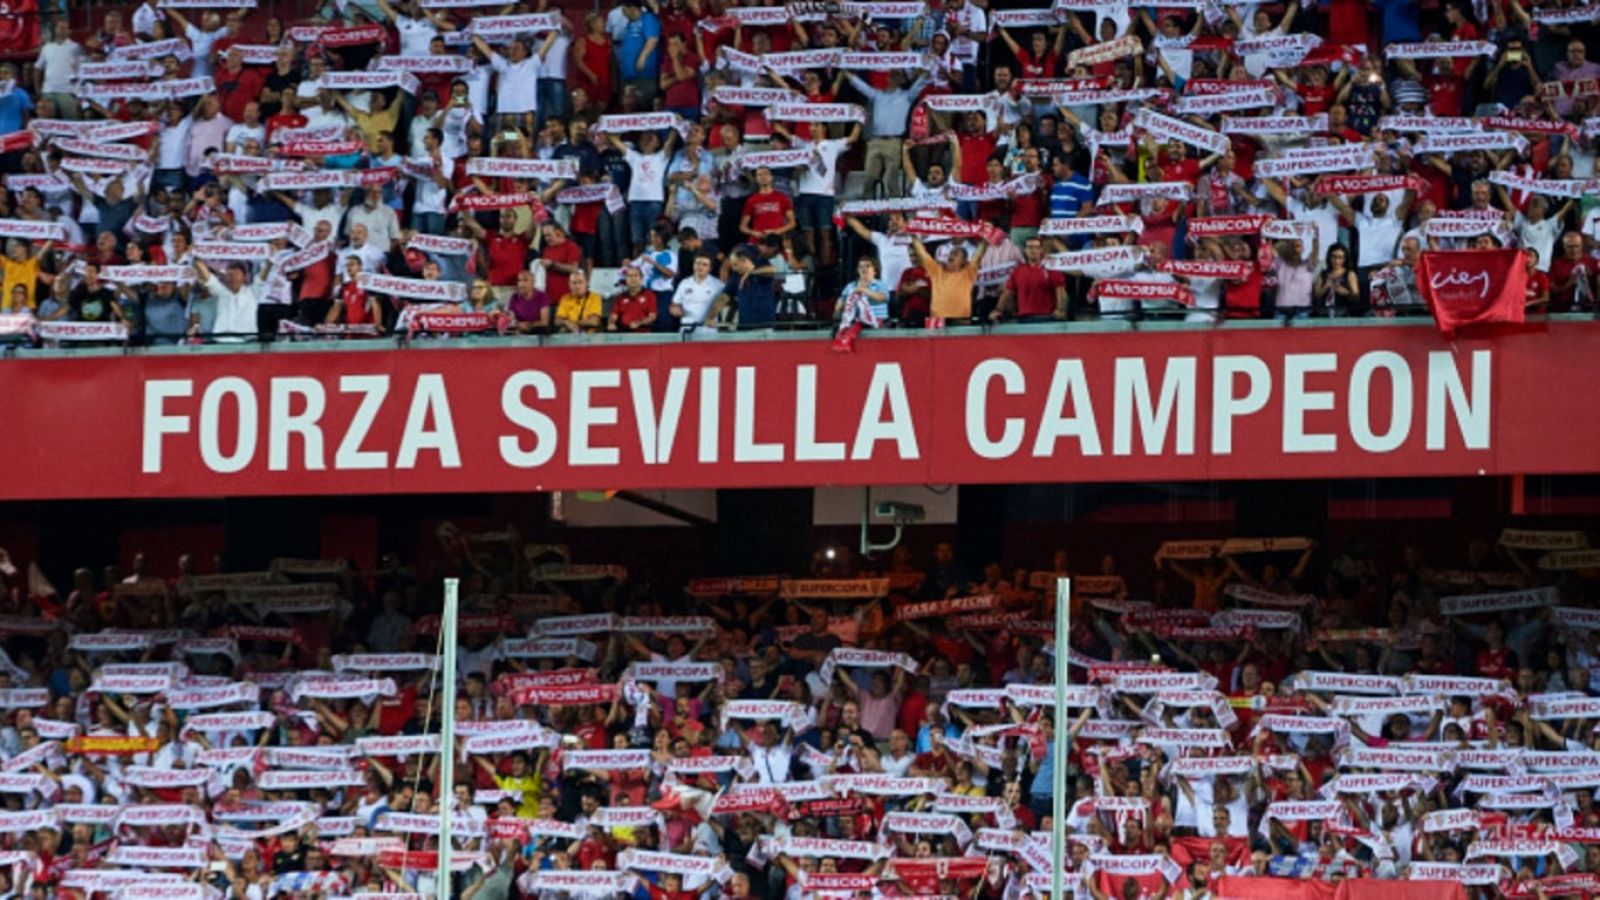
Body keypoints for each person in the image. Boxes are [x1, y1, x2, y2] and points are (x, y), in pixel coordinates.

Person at [911, 236, 986, 324]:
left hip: (961, 319)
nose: (951, 255)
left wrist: (986, 239)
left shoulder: (968, 273)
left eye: (956, 254)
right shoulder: (936, 270)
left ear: (964, 261)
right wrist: (913, 235)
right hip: (938, 318)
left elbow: (978, 255)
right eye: (950, 253)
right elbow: (922, 254)